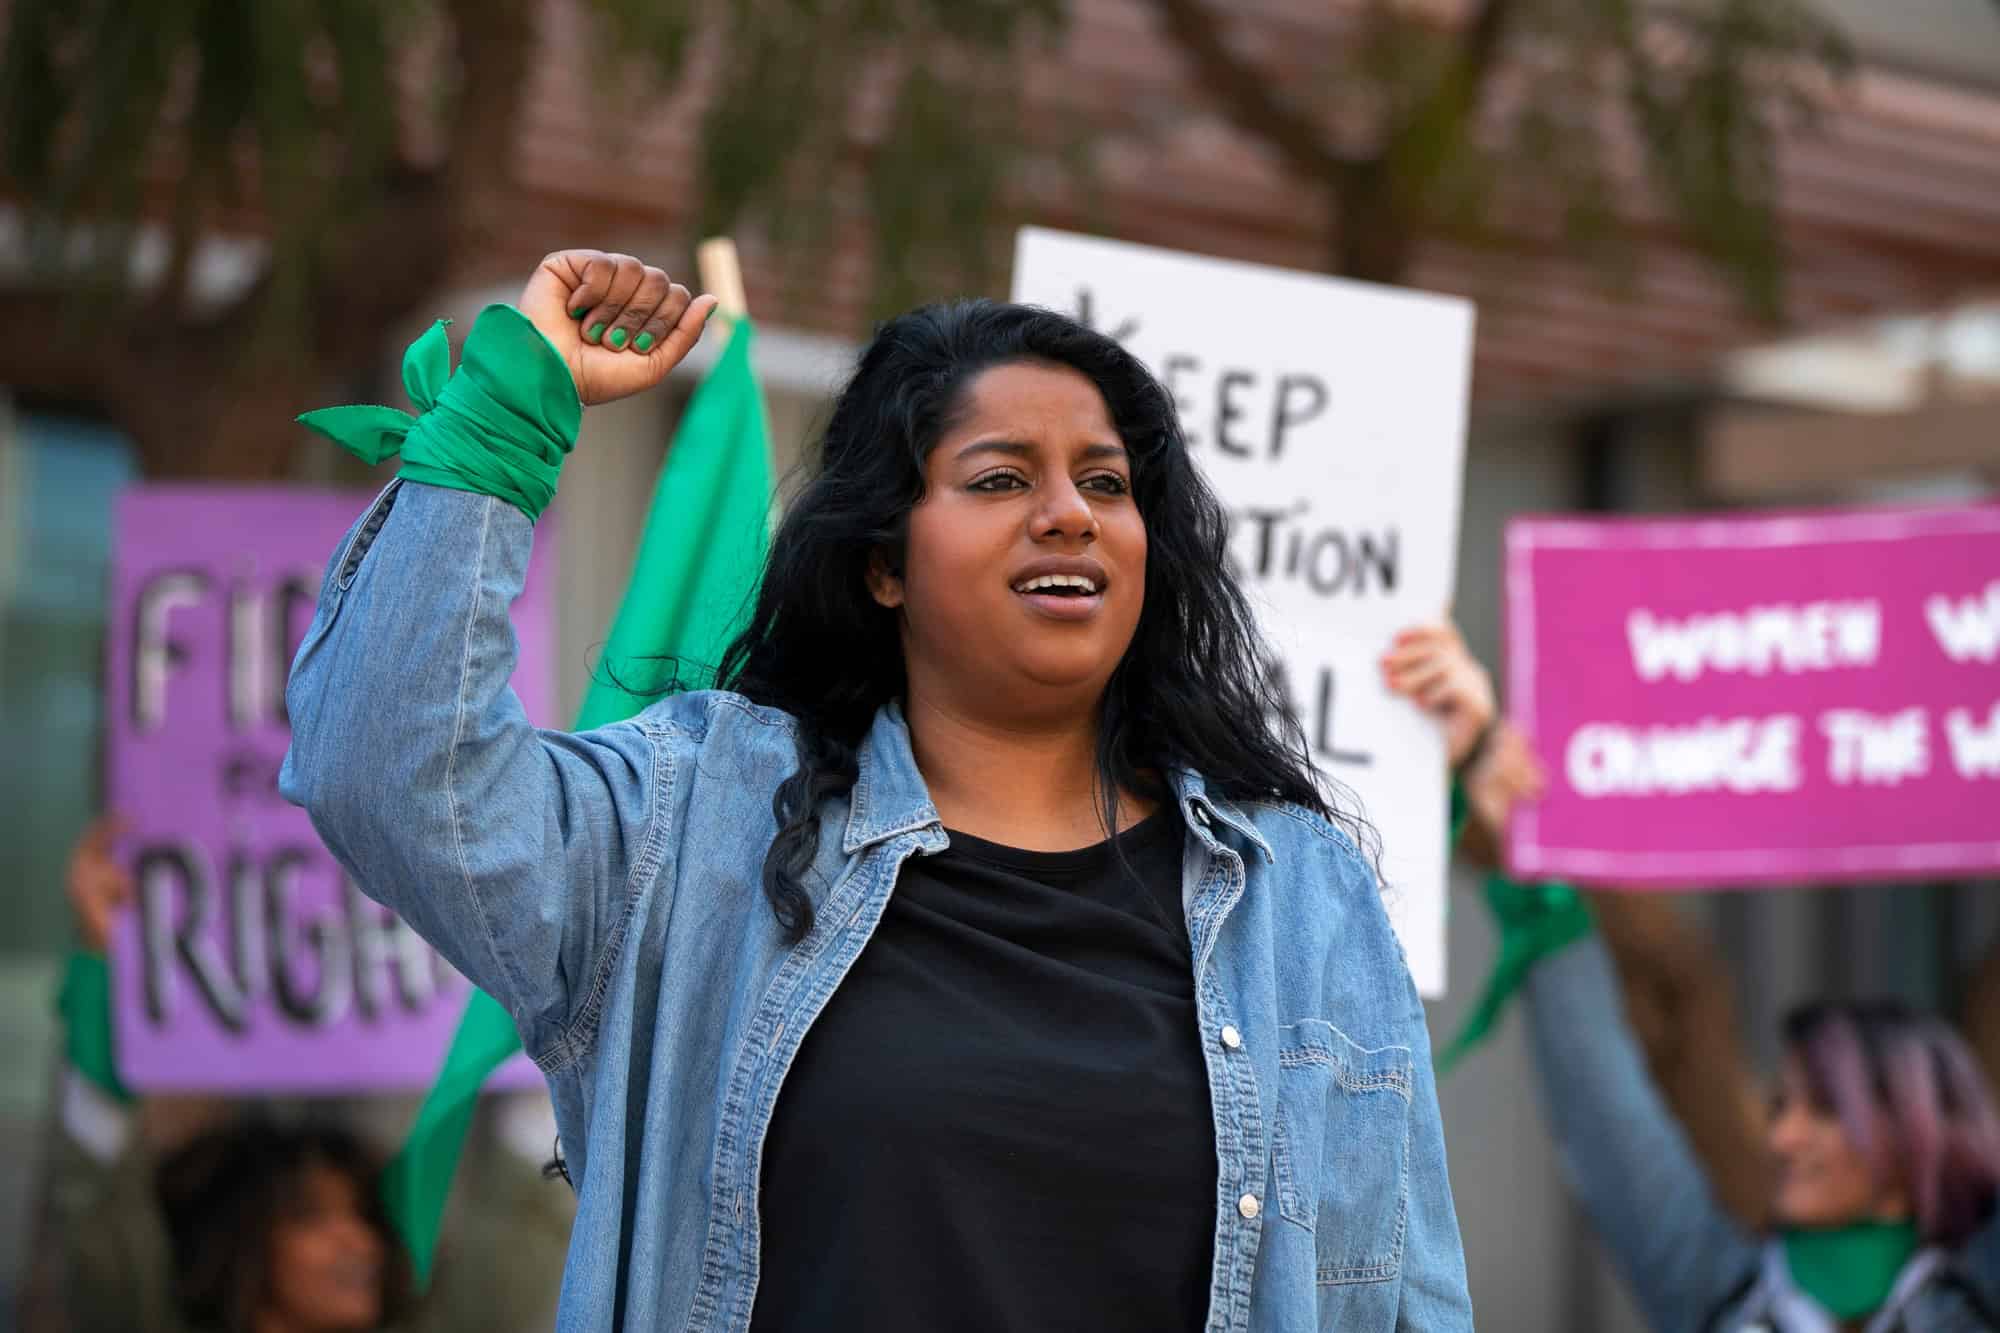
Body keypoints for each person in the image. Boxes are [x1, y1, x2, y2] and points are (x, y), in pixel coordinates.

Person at [279, 250, 1473, 1330]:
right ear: (883, 563)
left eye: (1105, 485)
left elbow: (1403, 1290)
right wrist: (502, 422)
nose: (1069, 513)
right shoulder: (694, 823)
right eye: (1001, 479)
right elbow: (391, 774)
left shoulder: (1296, 889)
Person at [1385, 631, 2000, 1331]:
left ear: (1914, 1143)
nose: (1782, 1136)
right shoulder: (1718, 1290)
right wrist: (1516, 832)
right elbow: (1605, 1107)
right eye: (1783, 1105)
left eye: (1825, 1108)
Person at [46, 817, 571, 1333]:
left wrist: (543, 971)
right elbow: (93, 1203)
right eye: (310, 1217)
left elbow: (524, 1226)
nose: (358, 1242)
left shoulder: (469, 1309)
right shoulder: (136, 1311)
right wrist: (105, 959)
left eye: (363, 1217)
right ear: (237, 1245)